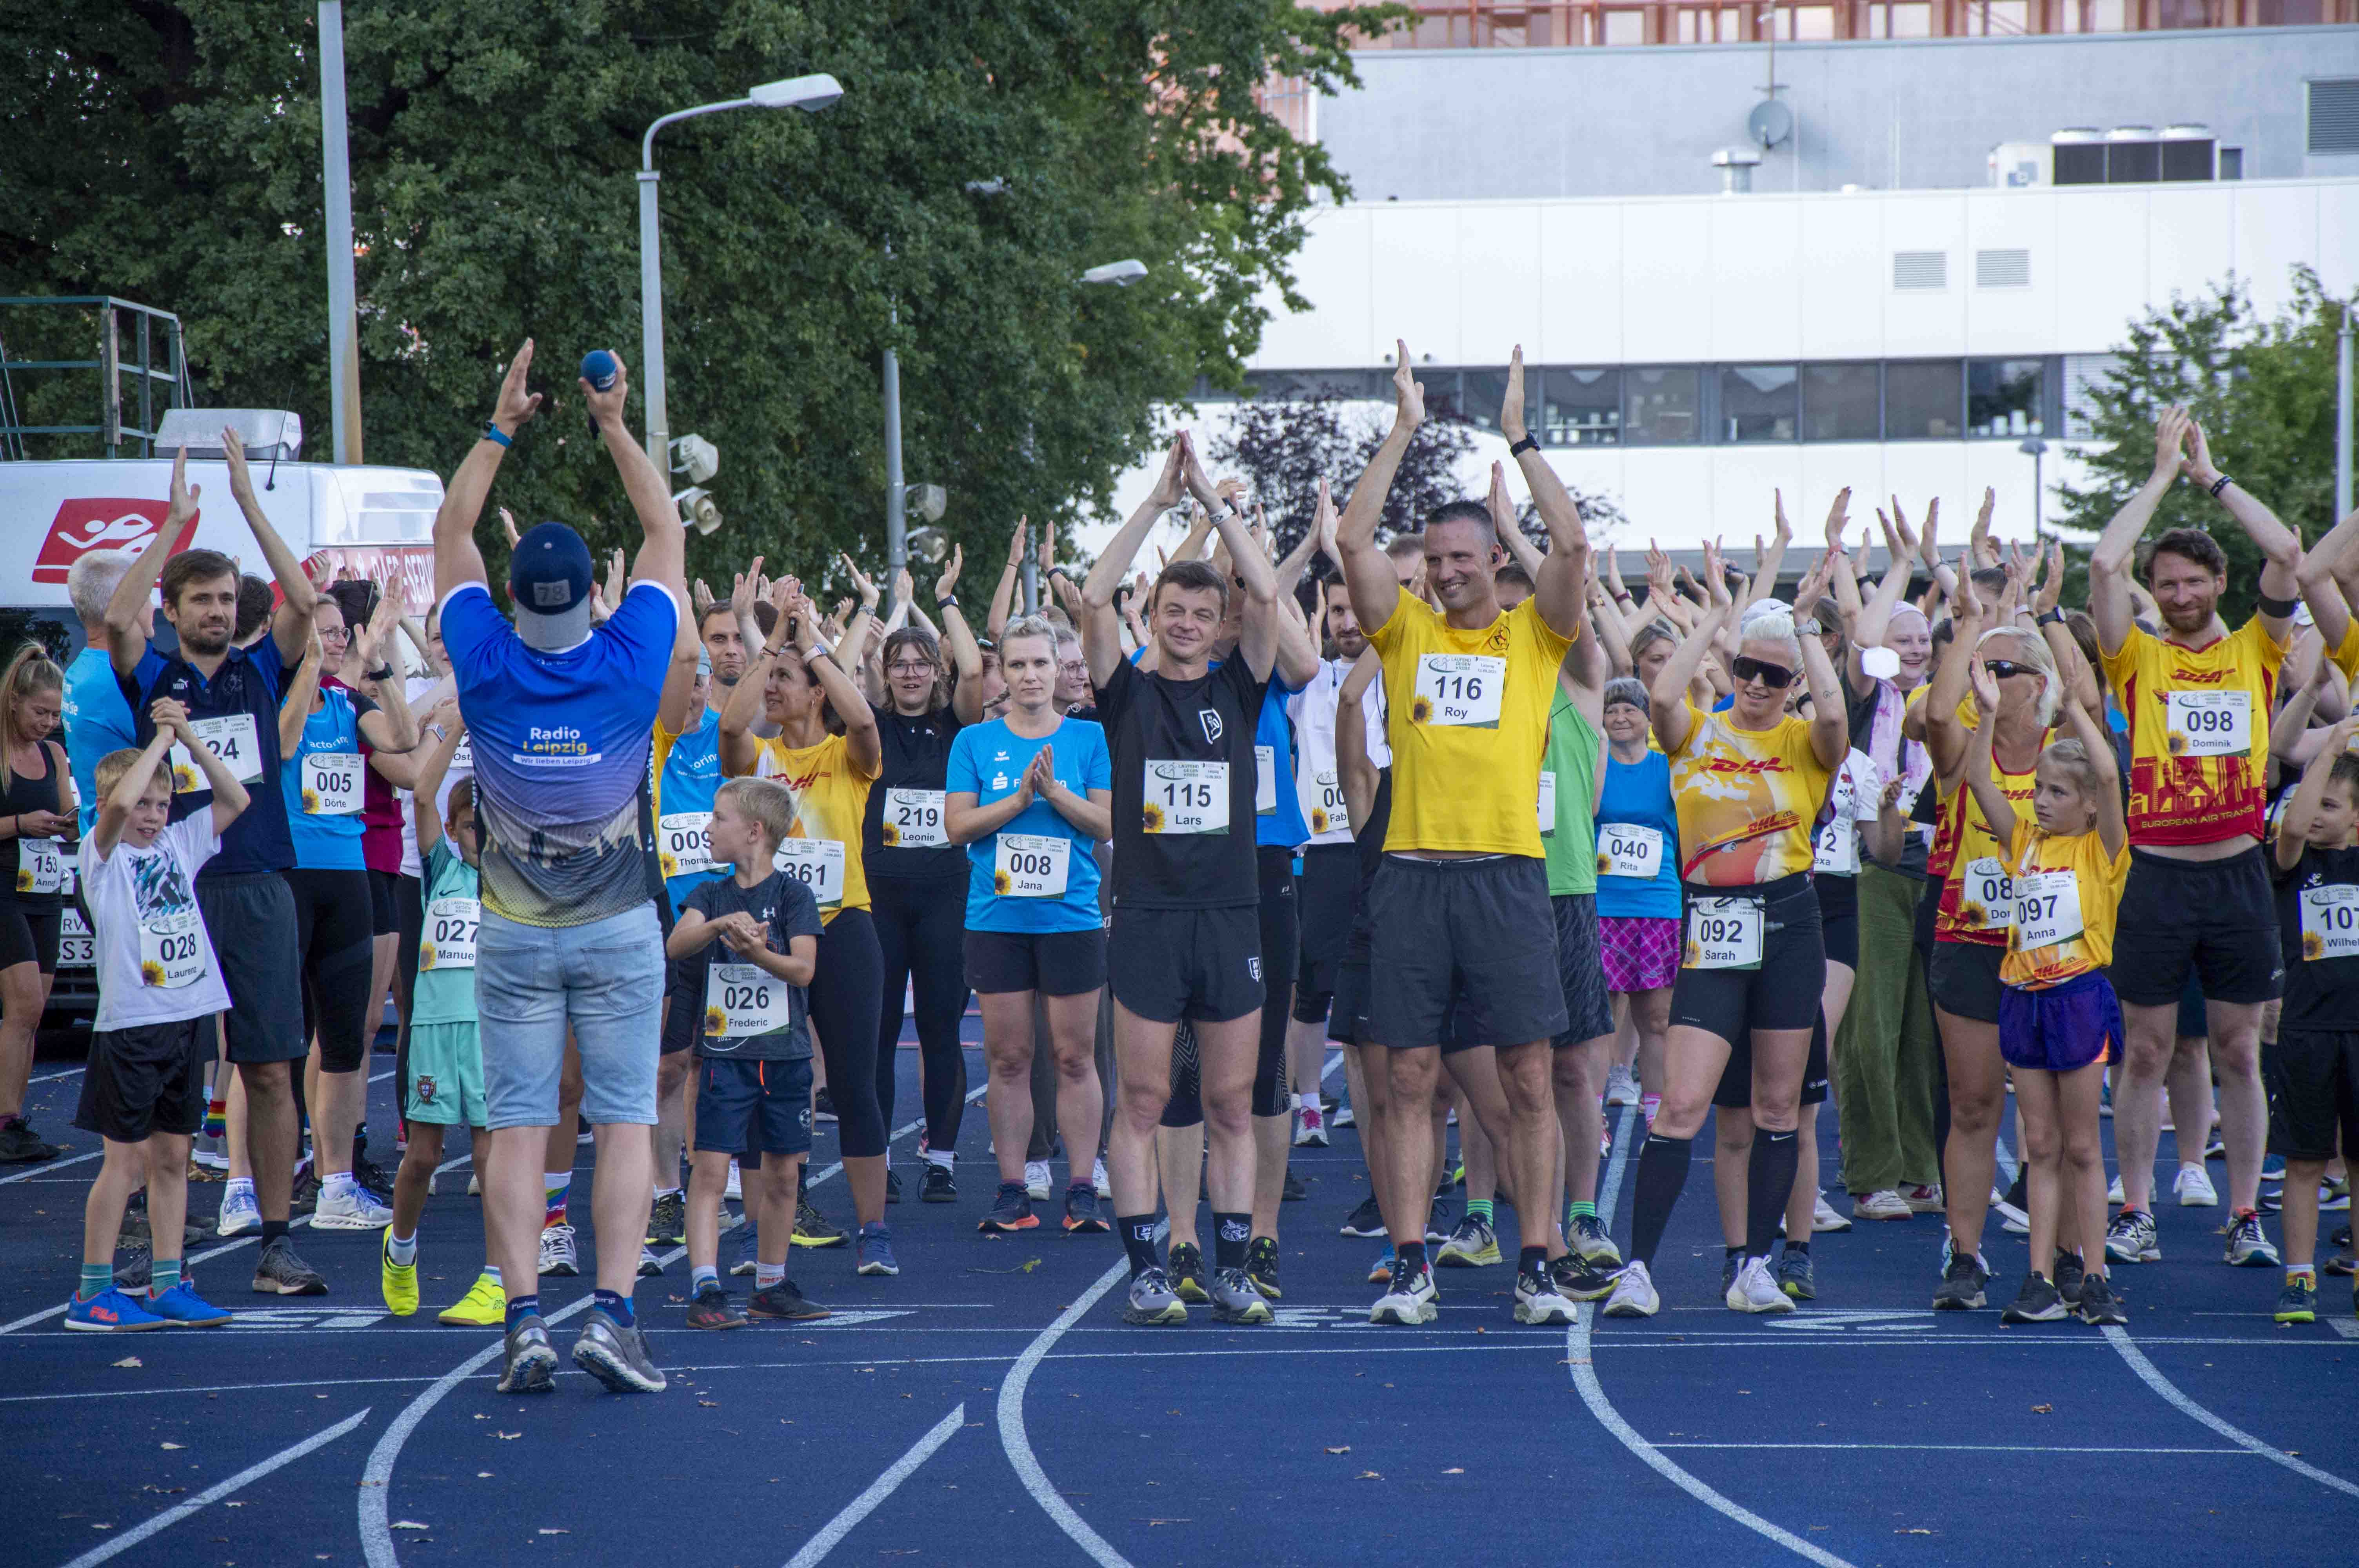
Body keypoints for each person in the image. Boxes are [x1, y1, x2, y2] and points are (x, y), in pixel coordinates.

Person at [432, 341, 692, 1397]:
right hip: (621, 927)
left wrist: (500, 426)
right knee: (625, 1119)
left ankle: (526, 1321)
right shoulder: (631, 659)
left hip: (511, 930)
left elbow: (450, 531)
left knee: (520, 1126)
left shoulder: (484, 663)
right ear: (593, 594)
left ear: (512, 595)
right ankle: (618, 1316)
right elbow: (666, 530)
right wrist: (612, 421)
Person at [1336, 345, 1590, 1328]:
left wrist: (1520, 438)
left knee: (1528, 1073)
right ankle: (1411, 1265)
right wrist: (1402, 425)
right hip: (1410, 880)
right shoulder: (1404, 632)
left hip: (1508, 880)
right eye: (1431, 561)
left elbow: (1568, 550)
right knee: (1406, 1076)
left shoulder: (1535, 634)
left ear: (1494, 559)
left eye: (1459, 559)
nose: (1443, 574)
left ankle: (1536, 1263)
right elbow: (1353, 543)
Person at [1604, 536, 1846, 1319]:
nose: (1752, 683)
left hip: (1786, 919)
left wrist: (1802, 629)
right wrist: (1715, 621)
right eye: (1745, 668)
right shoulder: (1696, 731)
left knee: (1778, 1108)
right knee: (1679, 1104)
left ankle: (1753, 1264)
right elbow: (1662, 694)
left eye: (1771, 676)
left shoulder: (1803, 743)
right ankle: (1638, 1266)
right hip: (1711, 920)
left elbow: (1835, 713)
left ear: (1790, 684)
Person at [107, 439, 326, 1298]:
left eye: (227, 599)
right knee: (167, 1064)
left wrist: (245, 497)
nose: (217, 610)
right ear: (175, 606)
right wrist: (171, 524)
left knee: (271, 1065)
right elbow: (117, 622)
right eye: (201, 599)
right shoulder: (156, 673)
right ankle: (147, 1232)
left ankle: (276, 1240)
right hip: (174, 887)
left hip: (260, 880)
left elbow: (304, 601)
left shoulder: (262, 667)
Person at [2090, 407, 2300, 1273]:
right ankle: (2134, 1207)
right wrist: (2157, 475)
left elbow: (2286, 555)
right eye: (2164, 583)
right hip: (2156, 878)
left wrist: (2209, 476)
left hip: (2236, 876)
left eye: (2189, 581)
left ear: (2216, 581)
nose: (2176, 595)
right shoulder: (2135, 658)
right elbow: (2104, 562)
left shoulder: (2258, 646)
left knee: (2238, 1048)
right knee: (2142, 1049)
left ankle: (2245, 1210)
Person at [1080, 432, 1280, 1328]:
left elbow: (1267, 591)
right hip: (1151, 916)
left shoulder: (1239, 691)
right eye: (1174, 613)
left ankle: (1233, 1267)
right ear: (1153, 616)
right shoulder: (1125, 692)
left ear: (1215, 625)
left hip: (1230, 917)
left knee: (1232, 1100)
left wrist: (1221, 505)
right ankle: (1147, 1266)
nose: (1189, 625)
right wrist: (1162, 503)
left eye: (1202, 616)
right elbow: (1090, 594)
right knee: (1148, 1098)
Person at [720, 576, 898, 1278]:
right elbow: (732, 728)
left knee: (853, 1084)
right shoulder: (760, 764)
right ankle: (760, 1234)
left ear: (817, 688)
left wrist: (814, 643)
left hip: (843, 928)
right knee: (761, 1083)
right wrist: (770, 646)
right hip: (763, 935)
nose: (772, 687)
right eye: (771, 676)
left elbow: (863, 723)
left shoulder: (844, 760)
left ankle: (874, 1230)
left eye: (786, 679)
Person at [64, 697, 248, 1329]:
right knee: (127, 1162)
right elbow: (115, 806)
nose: (151, 815)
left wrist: (188, 738)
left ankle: (168, 1281)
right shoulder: (103, 853)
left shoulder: (178, 843)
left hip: (187, 1015)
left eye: (161, 805)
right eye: (144, 804)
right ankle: (91, 1291)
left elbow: (235, 801)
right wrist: (158, 745)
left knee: (174, 1156)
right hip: (131, 1024)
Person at [1961, 655, 2131, 1326]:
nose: (2043, 800)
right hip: (2023, 1000)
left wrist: (2078, 711)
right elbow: (1978, 778)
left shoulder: (2103, 848)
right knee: (2040, 1145)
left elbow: (2111, 774)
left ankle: (2092, 1274)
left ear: (2088, 803)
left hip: (2079, 1000)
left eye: (2058, 792)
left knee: (2083, 1144)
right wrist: (1983, 713)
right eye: (2040, 789)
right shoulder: (2024, 840)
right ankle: (2037, 1278)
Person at [946, 613, 1112, 1233]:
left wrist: (1052, 793)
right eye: (1016, 664)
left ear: (1058, 667)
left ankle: (1081, 1187)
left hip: (1070, 916)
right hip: (997, 918)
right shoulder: (973, 742)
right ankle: (1013, 1188)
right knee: (1010, 1058)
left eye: (1041, 663)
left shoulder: (1088, 739)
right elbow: (956, 827)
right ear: (1002, 672)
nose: (1030, 675)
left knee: (1075, 1057)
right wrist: (1016, 801)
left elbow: (1106, 825)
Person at [277, 602, 417, 1232]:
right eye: (325, 630)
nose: (337, 641)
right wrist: (312, 662)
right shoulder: (284, 693)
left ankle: (337, 1184)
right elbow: (282, 743)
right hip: (289, 874)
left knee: (344, 1038)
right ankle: (250, 1186)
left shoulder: (347, 703)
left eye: (340, 632)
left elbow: (405, 740)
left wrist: (380, 663)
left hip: (349, 872)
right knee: (276, 1041)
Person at [671, 777, 828, 1328]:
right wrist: (719, 926)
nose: (708, 828)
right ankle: (706, 1287)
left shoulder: (793, 896)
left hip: (784, 1058)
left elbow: (804, 970)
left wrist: (758, 953)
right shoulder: (711, 895)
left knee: (784, 1173)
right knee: (710, 1169)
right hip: (724, 1057)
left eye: (718, 819)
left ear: (754, 832)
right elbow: (677, 943)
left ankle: (771, 1282)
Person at [867, 548, 985, 1205]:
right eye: (900, 664)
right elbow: (843, 665)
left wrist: (943, 599)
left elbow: (973, 666)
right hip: (881, 902)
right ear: (886, 674)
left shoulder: (957, 726)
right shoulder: (869, 727)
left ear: (934, 672)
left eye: (921, 664)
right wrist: (872, 610)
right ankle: (876, 1156)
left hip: (945, 898)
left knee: (941, 1031)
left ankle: (941, 1159)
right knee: (878, 1036)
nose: (911, 673)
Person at [379, 717, 506, 1325]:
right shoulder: (441, 872)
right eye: (470, 826)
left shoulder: (514, 886)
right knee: (424, 1157)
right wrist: (457, 727)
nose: (480, 835)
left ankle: (496, 1277)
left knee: (491, 1157)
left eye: (490, 824)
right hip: (434, 1033)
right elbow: (422, 794)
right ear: (454, 832)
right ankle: (400, 1250)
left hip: (489, 1033)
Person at [2265, 713, 2359, 1325]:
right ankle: (2298, 1279)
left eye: (2332, 804)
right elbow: (2293, 825)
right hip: (2306, 1031)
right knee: (2304, 1160)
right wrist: (2336, 741)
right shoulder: (2296, 864)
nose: (2315, 812)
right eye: (2311, 800)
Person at [1593, 676, 1679, 1129]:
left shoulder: (1669, 768)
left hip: (1657, 904)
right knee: (1597, 1020)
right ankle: (1591, 1120)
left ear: (1648, 718)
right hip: (1601, 906)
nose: (1620, 717)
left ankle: (1657, 1119)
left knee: (1658, 1020)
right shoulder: (1594, 764)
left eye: (1629, 709)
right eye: (1611, 710)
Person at [0, 648, 75, 1166]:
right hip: (3, 887)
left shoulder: (54, 755)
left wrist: (68, 822)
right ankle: (5, 1120)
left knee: (35, 1014)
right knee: (23, 1006)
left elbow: (71, 809)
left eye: (55, 714)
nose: (48, 724)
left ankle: (15, 1118)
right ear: (13, 702)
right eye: (40, 713)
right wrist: (20, 825)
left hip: (45, 888)